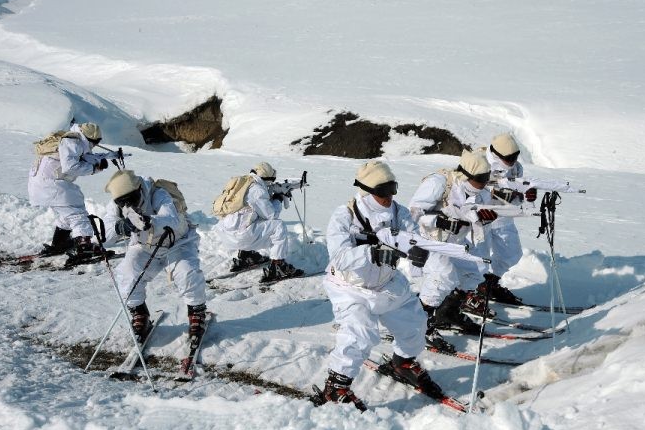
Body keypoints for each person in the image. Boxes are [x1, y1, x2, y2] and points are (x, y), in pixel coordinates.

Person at [317, 161, 440, 410]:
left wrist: (418, 252)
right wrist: (372, 253)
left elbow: (414, 237)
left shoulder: (399, 212)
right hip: (350, 287)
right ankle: (336, 386)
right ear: (366, 190)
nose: (390, 196)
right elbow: (339, 257)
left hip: (387, 283)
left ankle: (402, 363)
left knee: (416, 325)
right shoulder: (345, 215)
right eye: (383, 191)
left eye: (393, 188)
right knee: (360, 333)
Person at [103, 170, 207, 347]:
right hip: (144, 246)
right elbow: (105, 236)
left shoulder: (158, 193)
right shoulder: (117, 204)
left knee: (187, 272)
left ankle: (196, 312)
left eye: (131, 198)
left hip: (178, 242)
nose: (127, 204)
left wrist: (149, 221)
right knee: (127, 274)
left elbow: (171, 219)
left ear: (139, 190)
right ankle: (140, 313)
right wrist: (120, 227)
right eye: (122, 201)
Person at [408, 150, 499, 347]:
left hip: (453, 243)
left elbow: (475, 218)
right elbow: (412, 214)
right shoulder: (439, 183)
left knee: (474, 272)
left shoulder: (481, 193)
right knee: (444, 276)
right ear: (467, 175)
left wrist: (485, 219)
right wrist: (440, 221)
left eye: (486, 178)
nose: (484, 183)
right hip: (428, 241)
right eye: (480, 179)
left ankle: (447, 312)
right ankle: (419, 326)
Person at [27, 122, 109, 262]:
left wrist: (107, 157)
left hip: (44, 184)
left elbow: (83, 157)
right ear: (88, 138)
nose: (95, 145)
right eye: (95, 142)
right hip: (51, 185)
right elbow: (70, 167)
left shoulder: (72, 140)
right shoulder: (72, 142)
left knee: (67, 213)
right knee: (76, 213)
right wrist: (94, 168)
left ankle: (59, 244)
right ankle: (85, 248)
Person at [212, 162, 303, 282]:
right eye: (271, 181)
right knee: (278, 226)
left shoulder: (244, 183)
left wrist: (272, 193)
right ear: (266, 178)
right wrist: (278, 198)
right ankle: (278, 266)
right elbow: (271, 215)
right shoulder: (257, 191)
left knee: (250, 218)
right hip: (240, 236)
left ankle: (246, 256)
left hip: (226, 233)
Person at [476, 131, 537, 306]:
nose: (512, 161)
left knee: (512, 253)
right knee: (478, 258)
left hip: (504, 216)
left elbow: (518, 192)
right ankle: (468, 293)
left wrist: (526, 194)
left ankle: (489, 284)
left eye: (515, 156)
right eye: (508, 157)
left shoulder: (516, 168)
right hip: (481, 217)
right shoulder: (479, 161)